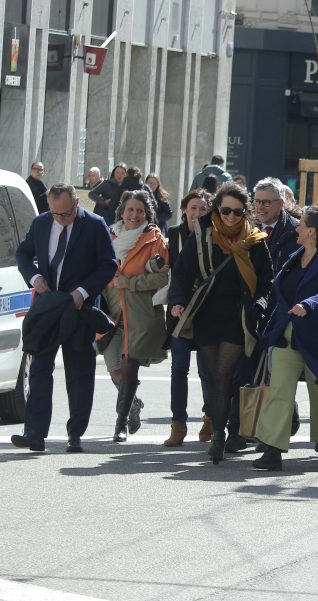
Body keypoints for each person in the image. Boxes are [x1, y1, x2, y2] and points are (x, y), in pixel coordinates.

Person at [168, 182, 272, 464]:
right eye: (226, 210)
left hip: (238, 317)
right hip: (206, 314)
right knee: (214, 376)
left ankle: (219, 436)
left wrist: (260, 305)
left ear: (244, 213)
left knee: (225, 373)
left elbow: (266, 281)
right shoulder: (202, 235)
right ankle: (220, 428)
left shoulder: (256, 240)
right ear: (217, 209)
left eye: (237, 212)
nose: (231, 217)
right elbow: (181, 272)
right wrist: (177, 300)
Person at [12, 184, 117, 452]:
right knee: (39, 369)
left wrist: (83, 292)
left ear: (77, 204)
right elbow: (23, 253)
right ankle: (35, 433)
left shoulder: (94, 225)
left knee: (79, 371)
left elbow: (108, 264)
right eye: (54, 213)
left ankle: (75, 433)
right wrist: (34, 278)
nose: (60, 218)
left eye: (65, 213)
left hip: (78, 308)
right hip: (49, 307)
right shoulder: (41, 223)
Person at [254, 206, 318, 471]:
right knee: (279, 392)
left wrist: (310, 304)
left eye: (301, 225)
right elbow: (280, 291)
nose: (296, 228)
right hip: (287, 335)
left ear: (312, 231)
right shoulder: (296, 256)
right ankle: (272, 450)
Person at [101, 191, 170, 442]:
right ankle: (134, 405)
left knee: (130, 367)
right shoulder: (108, 235)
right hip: (112, 314)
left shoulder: (155, 240)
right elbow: (99, 268)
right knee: (114, 369)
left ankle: (119, 425)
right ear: (121, 212)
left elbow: (162, 277)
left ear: (147, 213)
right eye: (130, 210)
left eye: (139, 210)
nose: (134, 215)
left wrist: (128, 282)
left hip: (140, 315)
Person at [163, 189, 214, 447]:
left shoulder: (214, 235)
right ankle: (178, 424)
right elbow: (173, 273)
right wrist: (175, 302)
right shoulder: (174, 234)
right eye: (193, 208)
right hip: (179, 309)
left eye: (202, 209)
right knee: (178, 368)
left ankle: (210, 419)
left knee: (207, 370)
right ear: (184, 210)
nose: (197, 213)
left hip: (206, 310)